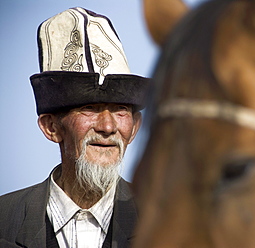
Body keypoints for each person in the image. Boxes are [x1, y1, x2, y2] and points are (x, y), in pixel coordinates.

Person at [0, 7, 148, 248]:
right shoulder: (4, 220)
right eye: (89, 108)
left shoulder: (167, 222)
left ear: (134, 128)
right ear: (51, 127)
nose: (108, 126)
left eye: (120, 109)